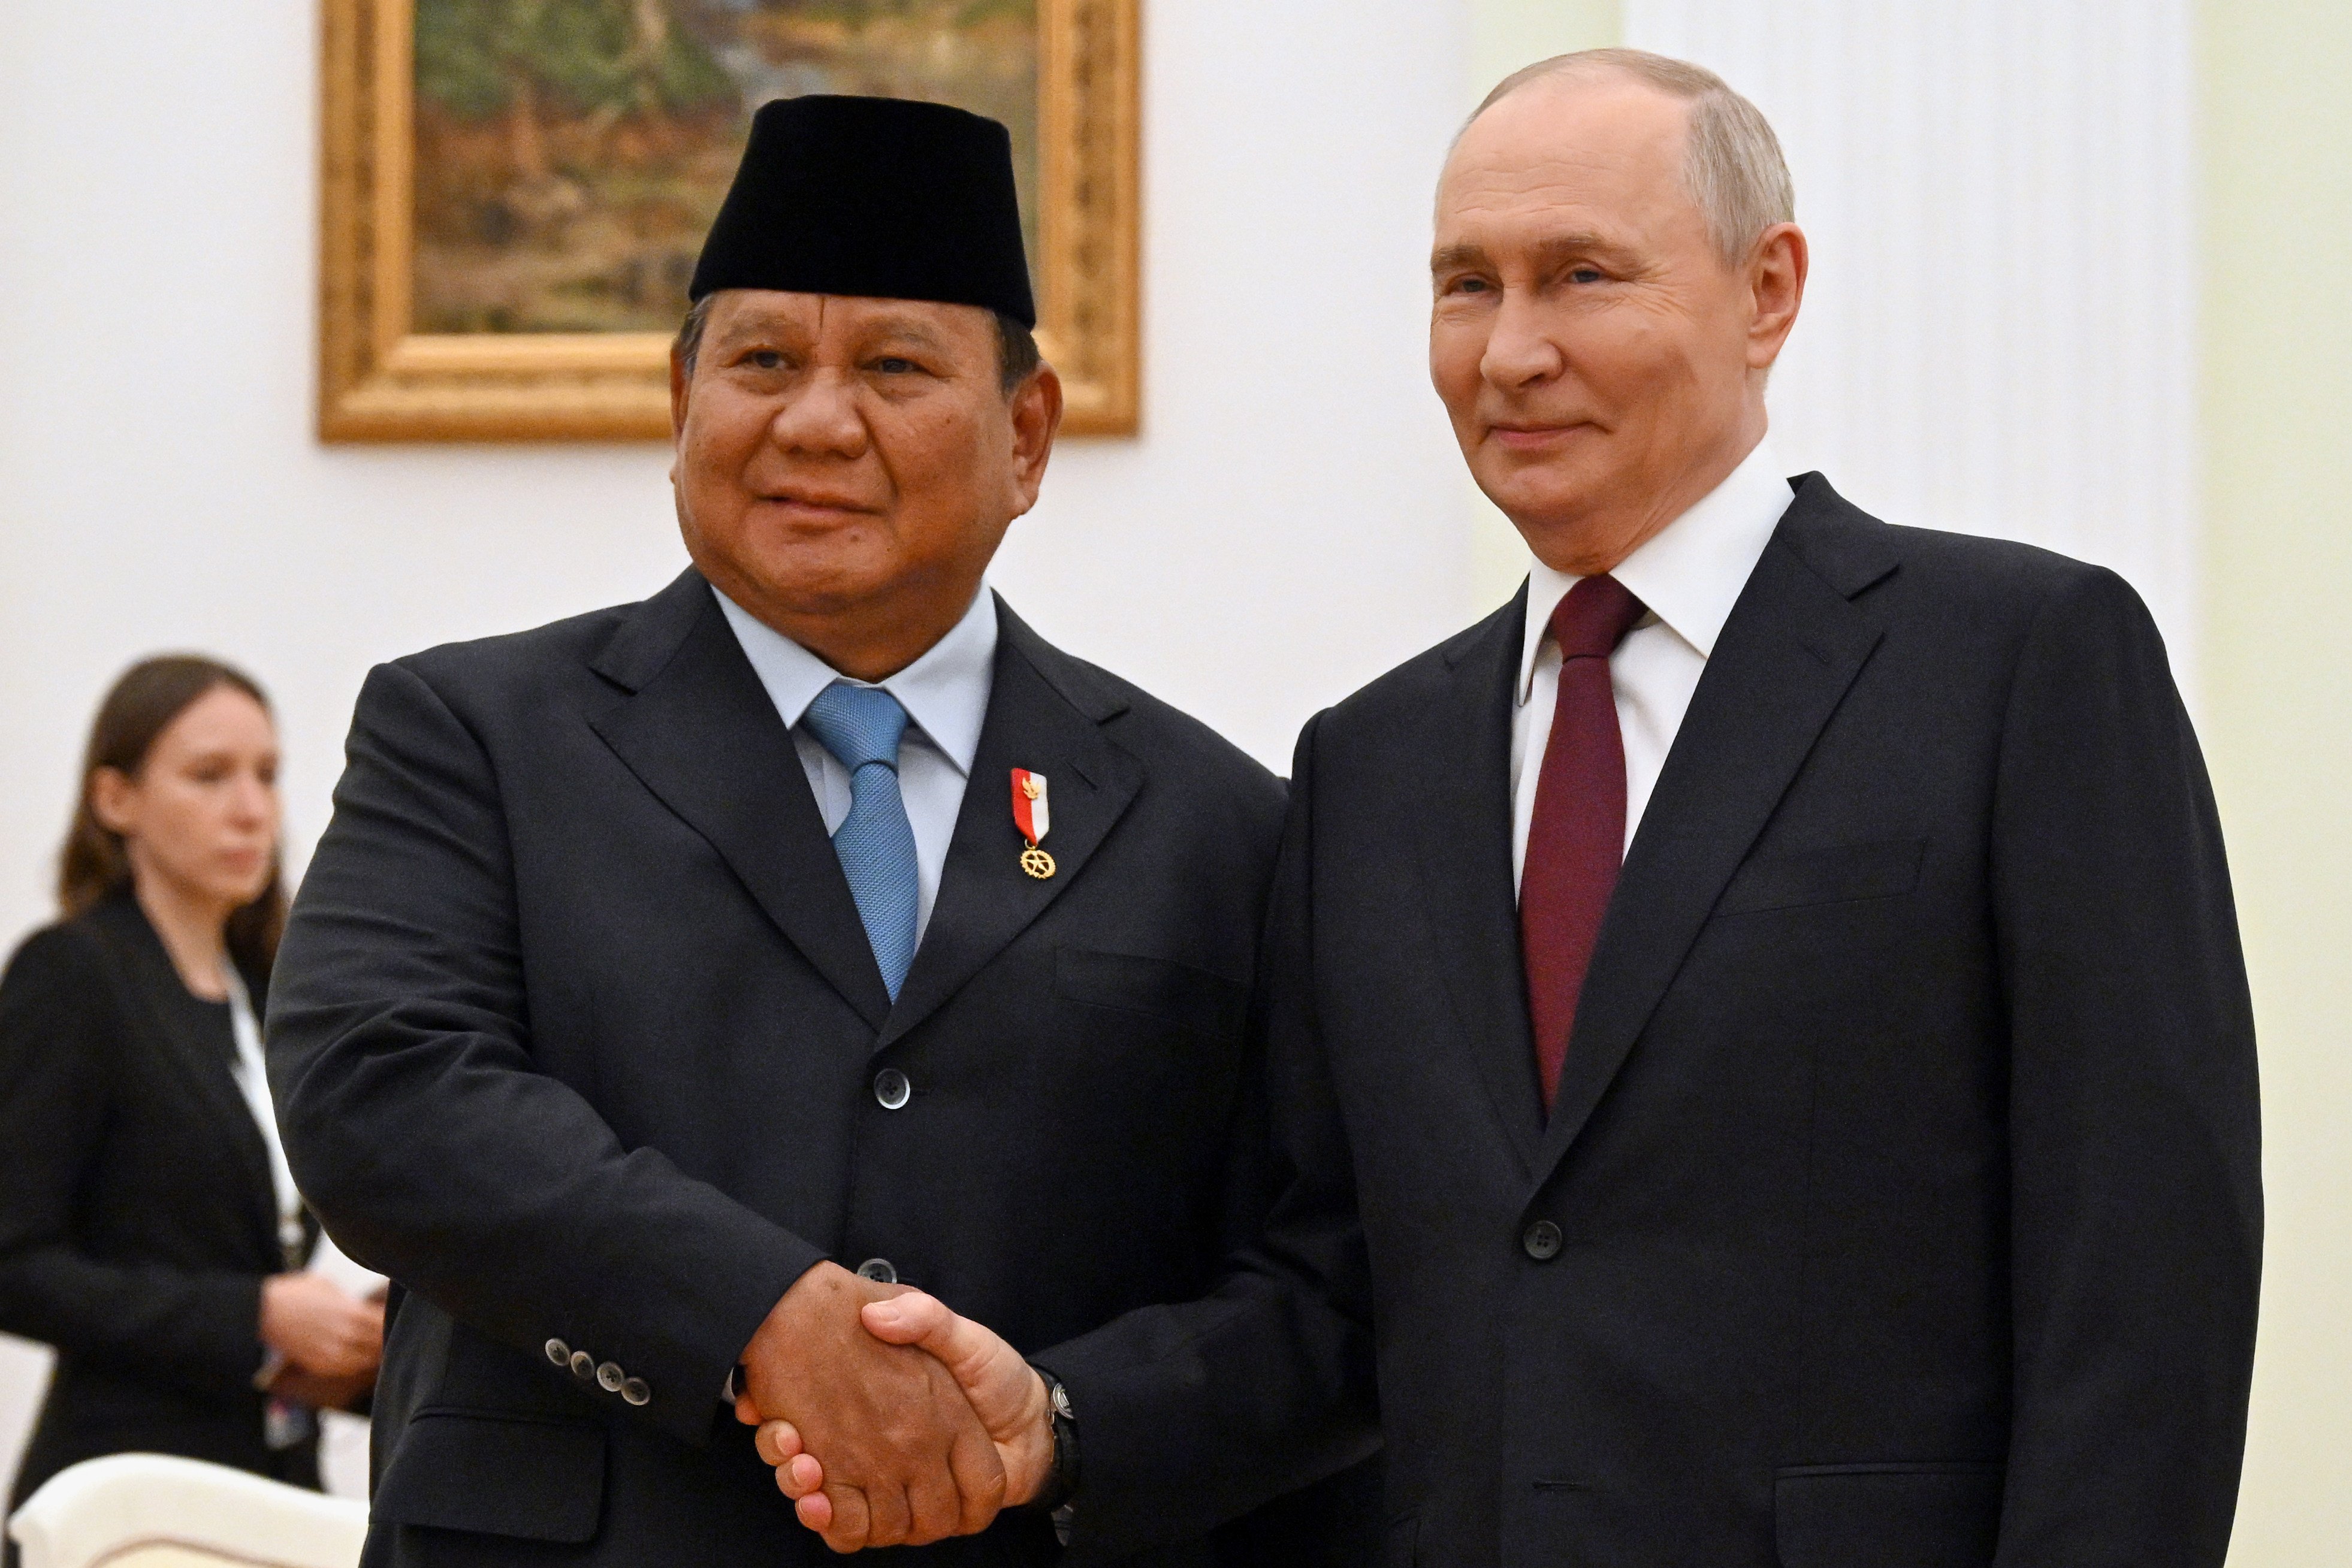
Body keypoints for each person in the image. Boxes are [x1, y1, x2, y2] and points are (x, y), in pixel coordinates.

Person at [764, 49, 2263, 1567]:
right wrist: (1061, 1423)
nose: (1510, 351)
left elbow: (2141, 1280)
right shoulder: (1369, 766)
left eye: (1581, 276)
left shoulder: (2017, 666)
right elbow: (1337, 1290)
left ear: (1768, 290)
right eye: (1466, 286)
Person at [265, 95, 1376, 1567]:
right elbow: (381, 1092)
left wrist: (1057, 1422)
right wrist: (757, 1317)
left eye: (896, 366)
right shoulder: (477, 735)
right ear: (682, 406)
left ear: (1025, 435)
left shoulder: (1215, 823)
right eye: (763, 361)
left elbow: (1324, 1281)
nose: (815, 421)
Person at [0, 657, 384, 1537]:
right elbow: (11, 1260)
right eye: (210, 776)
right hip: (128, 1501)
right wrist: (253, 1318)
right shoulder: (74, 975)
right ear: (116, 799)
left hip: (271, 1488)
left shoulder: (272, 991)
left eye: (267, 774)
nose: (252, 808)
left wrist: (347, 1349)